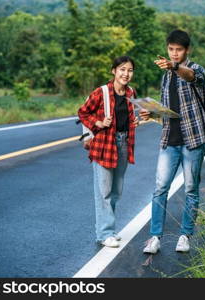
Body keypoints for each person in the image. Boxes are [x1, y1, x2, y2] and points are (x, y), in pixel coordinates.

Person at [140, 29, 205, 254]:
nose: (174, 53)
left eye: (178, 50)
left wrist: (175, 67)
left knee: (191, 189)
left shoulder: (195, 70)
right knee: (160, 188)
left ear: (187, 50)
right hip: (169, 139)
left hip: (193, 140)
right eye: (171, 49)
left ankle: (185, 235)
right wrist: (152, 114)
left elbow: (190, 76)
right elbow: (169, 111)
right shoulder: (166, 75)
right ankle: (154, 237)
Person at [78, 56, 139, 248]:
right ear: (114, 71)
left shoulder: (131, 93)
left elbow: (128, 118)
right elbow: (83, 112)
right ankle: (104, 234)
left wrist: (134, 122)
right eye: (122, 69)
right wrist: (97, 122)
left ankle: (110, 230)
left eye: (129, 70)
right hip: (104, 144)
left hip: (123, 143)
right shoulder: (101, 92)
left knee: (116, 191)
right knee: (103, 191)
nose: (125, 74)